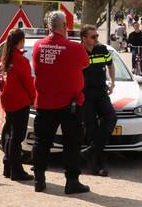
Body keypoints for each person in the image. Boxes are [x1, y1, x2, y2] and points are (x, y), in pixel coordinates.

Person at [31, 11, 91, 194]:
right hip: (69, 105)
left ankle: (39, 179)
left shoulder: (38, 46)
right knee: (72, 143)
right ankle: (71, 181)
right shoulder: (74, 48)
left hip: (44, 103)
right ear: (64, 26)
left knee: (42, 142)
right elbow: (85, 64)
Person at [0, 28, 35, 182]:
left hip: (8, 100)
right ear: (21, 41)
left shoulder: (6, 57)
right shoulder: (21, 60)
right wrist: (33, 98)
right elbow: (28, 82)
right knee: (17, 137)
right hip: (20, 101)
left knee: (9, 134)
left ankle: (7, 166)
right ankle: (16, 170)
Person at [80, 24, 116, 176]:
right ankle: (97, 165)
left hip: (101, 92)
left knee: (111, 117)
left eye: (97, 36)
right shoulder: (77, 52)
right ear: (84, 38)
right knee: (91, 129)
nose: (96, 39)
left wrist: (113, 82)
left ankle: (90, 151)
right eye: (93, 36)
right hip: (85, 95)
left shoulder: (102, 49)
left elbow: (110, 64)